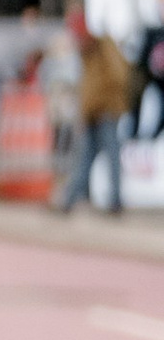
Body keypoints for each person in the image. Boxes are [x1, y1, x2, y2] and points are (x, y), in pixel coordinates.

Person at [57, 12, 133, 213]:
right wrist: (85, 111)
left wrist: (102, 104)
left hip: (106, 111)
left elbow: (118, 76)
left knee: (111, 156)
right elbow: (87, 88)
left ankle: (115, 202)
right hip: (92, 113)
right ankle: (69, 201)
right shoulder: (86, 53)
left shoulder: (103, 47)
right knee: (85, 158)